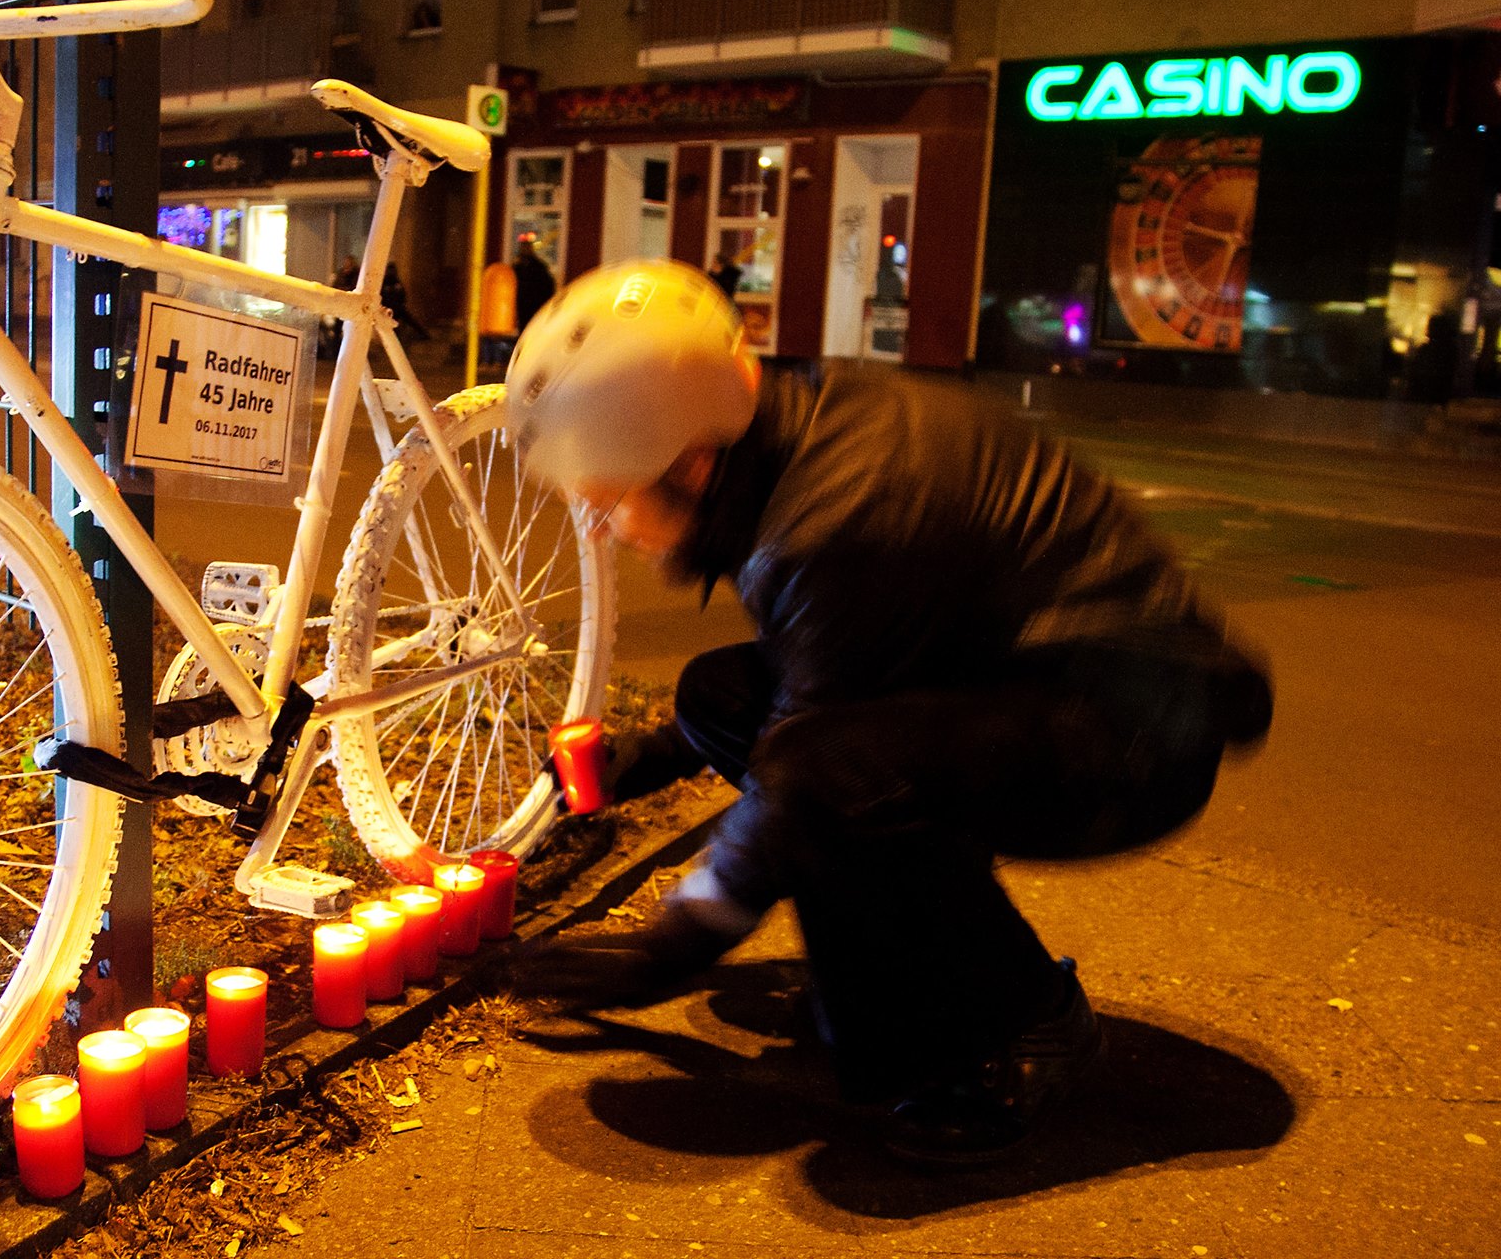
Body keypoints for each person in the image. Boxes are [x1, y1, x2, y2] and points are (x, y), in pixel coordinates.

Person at [505, 259, 1272, 1166]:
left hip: (1131, 734)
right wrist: (657, 755)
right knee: (722, 700)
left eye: (605, 498)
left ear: (691, 461)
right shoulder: (793, 437)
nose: (600, 527)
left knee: (825, 780)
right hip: (1026, 677)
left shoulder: (842, 518)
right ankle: (920, 975)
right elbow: (814, 677)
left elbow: (806, 760)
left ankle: (1023, 1023)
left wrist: (670, 948)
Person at [512, 233, 558, 331]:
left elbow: (548, 287)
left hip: (535, 307)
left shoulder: (539, 267)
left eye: (527, 246)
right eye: (523, 246)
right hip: (521, 308)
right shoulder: (516, 267)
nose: (525, 249)